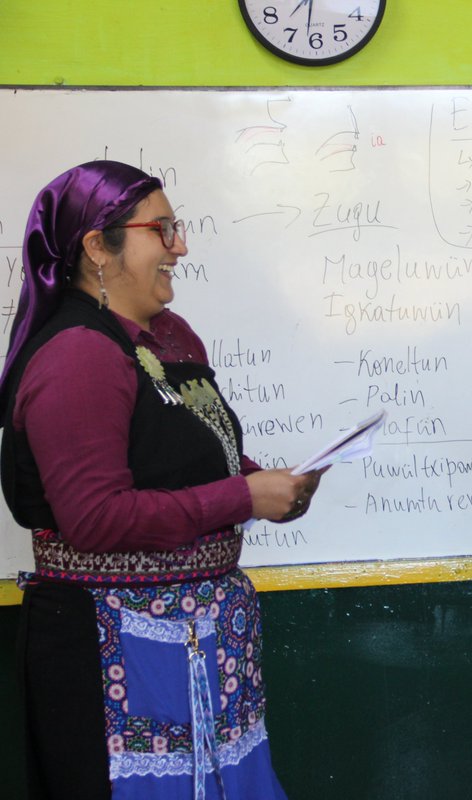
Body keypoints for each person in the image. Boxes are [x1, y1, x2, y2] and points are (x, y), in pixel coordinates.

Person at [0, 161, 323, 799]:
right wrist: (244, 497)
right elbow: (95, 519)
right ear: (98, 246)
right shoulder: (78, 355)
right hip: (116, 652)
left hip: (201, 648)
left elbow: (195, 457)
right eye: (163, 229)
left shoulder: (171, 339)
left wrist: (271, 484)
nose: (181, 246)